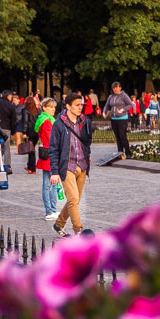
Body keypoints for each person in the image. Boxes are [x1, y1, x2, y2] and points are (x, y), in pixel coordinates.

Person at [50, 97, 93, 235]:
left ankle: (58, 225)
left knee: (74, 200)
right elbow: (53, 148)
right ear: (68, 106)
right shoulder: (59, 124)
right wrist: (54, 171)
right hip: (67, 165)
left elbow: (87, 142)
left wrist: (88, 154)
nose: (80, 107)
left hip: (82, 164)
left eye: (81, 105)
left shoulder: (84, 122)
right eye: (77, 105)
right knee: (73, 199)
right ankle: (78, 231)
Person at [35, 98, 59, 215]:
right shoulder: (48, 121)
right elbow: (52, 139)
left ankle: (49, 210)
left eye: (54, 107)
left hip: (46, 152)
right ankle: (51, 210)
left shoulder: (42, 119)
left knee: (46, 183)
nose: (53, 109)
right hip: (51, 153)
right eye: (50, 107)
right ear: (44, 108)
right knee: (52, 184)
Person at [103, 82, 136, 164]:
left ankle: (128, 153)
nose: (115, 89)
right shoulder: (111, 96)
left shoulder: (124, 95)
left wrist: (123, 109)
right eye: (114, 88)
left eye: (117, 87)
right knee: (117, 136)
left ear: (120, 88)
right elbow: (107, 105)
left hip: (122, 118)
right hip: (113, 118)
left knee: (122, 135)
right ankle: (120, 152)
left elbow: (130, 104)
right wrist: (104, 112)